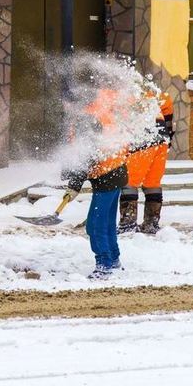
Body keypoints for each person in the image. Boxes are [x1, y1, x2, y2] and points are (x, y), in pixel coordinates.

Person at [65, 88, 129, 280]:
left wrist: (74, 185)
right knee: (107, 222)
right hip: (116, 172)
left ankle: (104, 264)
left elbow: (87, 154)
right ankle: (113, 258)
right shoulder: (100, 112)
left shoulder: (88, 120)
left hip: (107, 176)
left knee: (95, 225)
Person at [118, 89, 174, 235]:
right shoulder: (150, 91)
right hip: (162, 136)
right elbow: (167, 103)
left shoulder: (121, 95)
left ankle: (127, 224)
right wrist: (169, 133)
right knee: (153, 183)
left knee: (130, 182)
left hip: (144, 135)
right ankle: (151, 223)